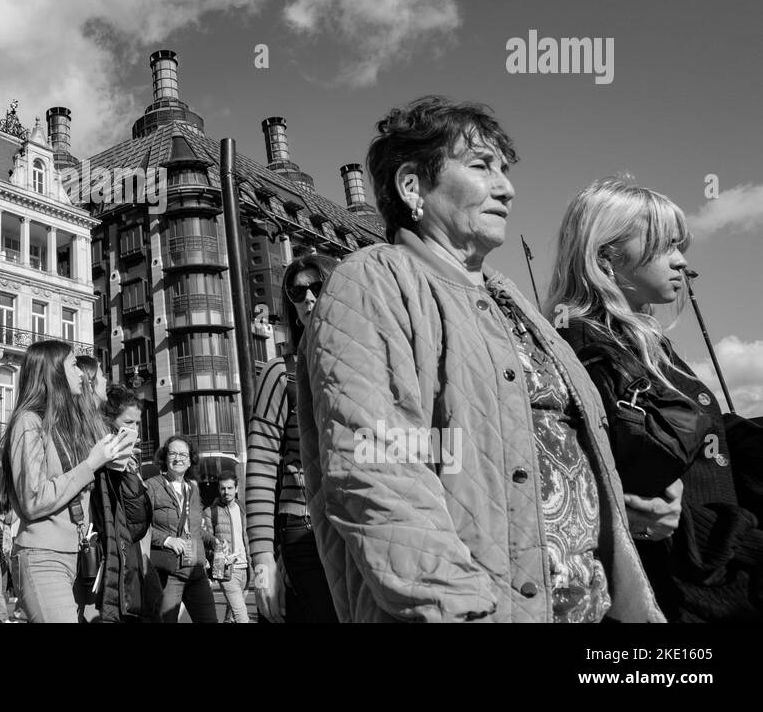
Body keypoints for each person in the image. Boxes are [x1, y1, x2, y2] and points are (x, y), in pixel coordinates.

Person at [297, 96, 663, 622]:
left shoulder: (512, 302)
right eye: (481, 166)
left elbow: (534, 454)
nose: (507, 187)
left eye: (505, 170)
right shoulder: (375, 279)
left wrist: (618, 505)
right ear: (412, 186)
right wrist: (462, 611)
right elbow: (378, 469)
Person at [549, 177, 763, 621]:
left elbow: (707, 432)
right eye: (665, 246)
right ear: (606, 255)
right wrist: (740, 543)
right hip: (680, 595)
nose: (682, 261)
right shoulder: (589, 347)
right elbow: (646, 506)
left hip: (716, 585)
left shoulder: (640, 339)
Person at [2, 340, 136, 622]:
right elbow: (33, 499)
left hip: (71, 555)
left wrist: (115, 457)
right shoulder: (29, 422)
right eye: (74, 365)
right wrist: (91, 464)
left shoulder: (62, 426)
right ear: (54, 371)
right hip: (42, 556)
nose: (81, 374)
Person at [246, 252, 340, 623]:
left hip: (358, 526)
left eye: (318, 287)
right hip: (303, 531)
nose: (308, 300)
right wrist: (264, 560)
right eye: (296, 293)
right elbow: (262, 466)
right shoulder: (280, 373)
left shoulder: (370, 369)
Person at [89, 383, 156, 622]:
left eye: (137, 424)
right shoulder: (95, 460)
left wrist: (130, 474)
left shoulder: (128, 465)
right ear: (109, 421)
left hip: (129, 560)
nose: (134, 430)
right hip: (101, 561)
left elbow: (138, 524)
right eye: (128, 423)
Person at [145, 435, 216, 622]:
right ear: (164, 457)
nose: (178, 459)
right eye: (173, 453)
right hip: (169, 574)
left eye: (184, 454)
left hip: (196, 570)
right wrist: (167, 540)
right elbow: (140, 529)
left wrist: (214, 541)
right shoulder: (151, 486)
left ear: (190, 459)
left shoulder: (193, 488)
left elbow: (195, 529)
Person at [207, 472, 250, 622]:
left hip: (246, 568)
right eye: (223, 488)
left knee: (231, 615)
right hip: (227, 571)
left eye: (230, 488)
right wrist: (216, 551)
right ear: (218, 489)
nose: (227, 492)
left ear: (236, 488)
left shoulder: (242, 508)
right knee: (242, 617)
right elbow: (205, 542)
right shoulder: (210, 512)